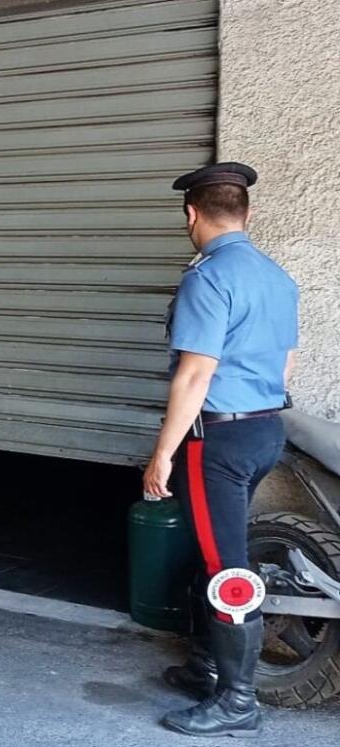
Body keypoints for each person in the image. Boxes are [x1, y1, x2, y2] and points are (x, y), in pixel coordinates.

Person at [142, 163, 298, 737]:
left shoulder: (207, 278)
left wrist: (163, 453)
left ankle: (237, 702)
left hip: (220, 440)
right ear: (246, 213)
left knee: (225, 565)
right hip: (265, 430)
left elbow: (195, 375)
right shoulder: (276, 276)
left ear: (191, 214)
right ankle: (209, 665)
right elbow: (286, 364)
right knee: (219, 546)